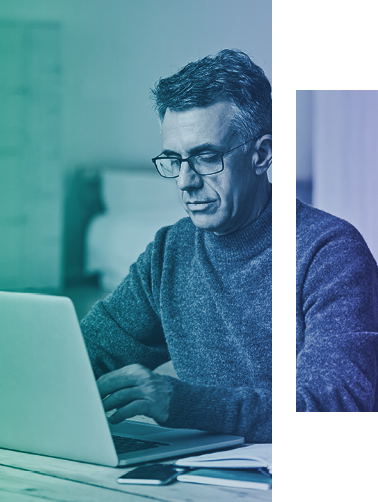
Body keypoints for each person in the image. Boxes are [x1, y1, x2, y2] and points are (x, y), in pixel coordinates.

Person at [81, 49, 273, 443]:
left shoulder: (330, 255)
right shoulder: (171, 251)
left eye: (205, 157)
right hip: (207, 474)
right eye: (173, 160)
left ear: (263, 154)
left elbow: (332, 408)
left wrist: (179, 402)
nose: (184, 182)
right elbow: (87, 354)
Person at [296, 198, 378, 411]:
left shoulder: (334, 250)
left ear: (261, 161)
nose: (205, 179)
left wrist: (212, 407)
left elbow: (332, 402)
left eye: (212, 161)